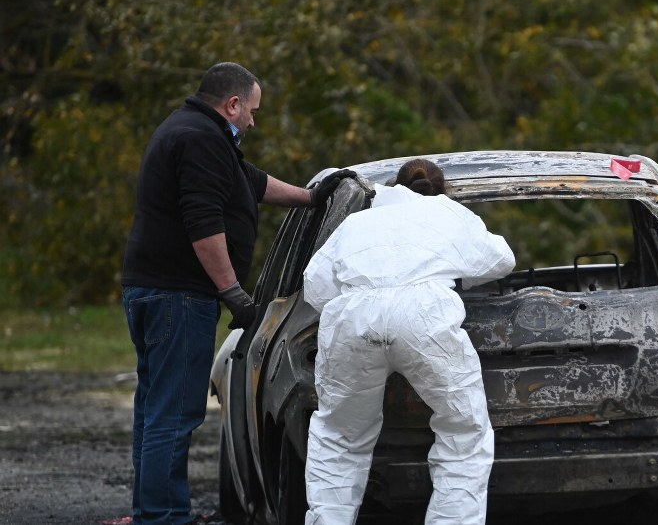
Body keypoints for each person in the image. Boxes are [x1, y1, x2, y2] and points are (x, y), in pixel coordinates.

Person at [121, 61, 354, 524]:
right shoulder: (202, 139)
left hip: (154, 290)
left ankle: (153, 512)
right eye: (252, 110)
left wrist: (312, 198)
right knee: (174, 413)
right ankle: (163, 517)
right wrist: (233, 293)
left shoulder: (192, 132)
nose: (253, 119)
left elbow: (251, 182)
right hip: (179, 297)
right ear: (232, 105)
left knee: (155, 409)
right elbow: (204, 225)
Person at [301, 158, 516, 525]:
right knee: (463, 431)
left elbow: (315, 285)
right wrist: (450, 269)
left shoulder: (357, 222)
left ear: (394, 186)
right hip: (424, 316)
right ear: (442, 189)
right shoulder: (449, 213)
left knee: (339, 437)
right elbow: (500, 260)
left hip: (353, 317)